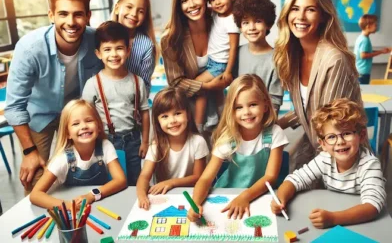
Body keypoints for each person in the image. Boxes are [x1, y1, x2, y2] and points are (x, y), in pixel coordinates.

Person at [4, 0, 102, 194]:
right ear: (51, 15)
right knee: (36, 181)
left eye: (78, 14)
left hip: (77, 114)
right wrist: (29, 151)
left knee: (89, 173)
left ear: (88, 16)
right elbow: (14, 107)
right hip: (40, 115)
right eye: (63, 14)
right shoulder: (29, 48)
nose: (71, 21)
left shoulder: (96, 40)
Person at [274, 0, 364, 171]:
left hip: (344, 161)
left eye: (310, 10)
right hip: (319, 151)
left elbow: (332, 124)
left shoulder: (334, 60)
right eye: (295, 8)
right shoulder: (292, 57)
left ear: (323, 16)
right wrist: (274, 125)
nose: (300, 17)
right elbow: (309, 107)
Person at [271, 98, 386, 228]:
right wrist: (281, 199)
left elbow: (372, 206)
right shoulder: (325, 159)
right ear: (323, 144)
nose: (340, 142)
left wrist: (333, 219)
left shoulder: (370, 165)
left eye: (347, 133)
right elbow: (295, 179)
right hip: (334, 214)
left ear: (362, 135)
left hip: (359, 223)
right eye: (331, 137)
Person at [188, 74, 289, 222]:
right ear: (232, 111)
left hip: (260, 195)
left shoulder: (275, 133)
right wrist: (195, 203)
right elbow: (206, 178)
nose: (246, 112)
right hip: (229, 195)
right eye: (239, 107)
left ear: (266, 105)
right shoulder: (229, 139)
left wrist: (245, 197)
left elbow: (270, 177)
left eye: (253, 104)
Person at [82, 21, 150, 186]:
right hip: (105, 141)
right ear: (98, 54)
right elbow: (85, 115)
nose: (114, 54)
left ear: (128, 51)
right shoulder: (93, 84)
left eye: (119, 48)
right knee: (110, 182)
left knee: (134, 181)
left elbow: (145, 112)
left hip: (133, 140)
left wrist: (146, 141)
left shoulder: (137, 81)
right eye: (107, 49)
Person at [161, 0, 230, 132]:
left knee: (224, 148)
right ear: (178, 5)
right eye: (184, 0)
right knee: (196, 147)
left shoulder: (218, 21)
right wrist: (207, 86)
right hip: (188, 104)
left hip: (219, 100)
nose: (191, 5)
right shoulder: (171, 38)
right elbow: (175, 82)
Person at [30, 99, 127, 209]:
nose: (84, 126)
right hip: (70, 211)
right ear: (68, 134)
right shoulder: (62, 159)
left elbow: (121, 180)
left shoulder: (106, 146)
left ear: (99, 126)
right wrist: (69, 206)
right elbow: (35, 195)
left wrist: (91, 196)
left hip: (98, 206)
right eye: (76, 123)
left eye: (89, 120)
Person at [137, 87, 208, 210]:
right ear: (157, 121)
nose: (172, 121)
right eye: (165, 116)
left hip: (192, 196)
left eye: (177, 113)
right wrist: (142, 196)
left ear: (188, 115)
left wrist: (171, 182)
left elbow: (198, 177)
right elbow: (144, 176)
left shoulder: (198, 142)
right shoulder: (156, 146)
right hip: (165, 197)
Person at [193, 0, 240, 131]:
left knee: (198, 86)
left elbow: (233, 48)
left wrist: (227, 71)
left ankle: (202, 124)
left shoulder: (232, 20)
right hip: (212, 61)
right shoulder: (215, 14)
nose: (217, 2)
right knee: (218, 95)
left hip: (220, 65)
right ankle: (222, 121)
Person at [232, 0, 283, 114]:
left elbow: (274, 101)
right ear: (240, 26)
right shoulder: (236, 53)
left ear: (268, 24)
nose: (251, 27)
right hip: (237, 118)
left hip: (262, 120)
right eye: (246, 22)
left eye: (258, 21)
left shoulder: (277, 59)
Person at [111, 0, 158, 93]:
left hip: (132, 102)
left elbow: (145, 85)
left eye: (140, 11)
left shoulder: (146, 45)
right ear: (117, 8)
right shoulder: (102, 37)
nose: (133, 14)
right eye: (129, 7)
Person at [354, 14, 391, 84]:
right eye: (375, 25)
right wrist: (381, 52)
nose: (376, 27)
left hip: (359, 70)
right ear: (368, 26)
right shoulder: (364, 40)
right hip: (363, 72)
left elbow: (367, 52)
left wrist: (382, 51)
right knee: (363, 90)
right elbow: (363, 55)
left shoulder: (361, 37)